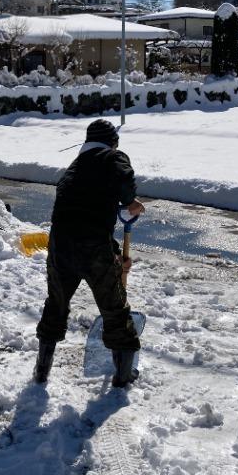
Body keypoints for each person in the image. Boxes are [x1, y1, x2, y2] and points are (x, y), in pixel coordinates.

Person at [34, 118, 145, 387]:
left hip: (60, 247)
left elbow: (81, 215)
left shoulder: (73, 169)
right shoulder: (112, 156)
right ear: (113, 142)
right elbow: (123, 175)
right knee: (115, 309)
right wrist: (130, 201)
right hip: (94, 248)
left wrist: (116, 253)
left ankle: (41, 371)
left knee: (56, 305)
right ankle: (122, 375)